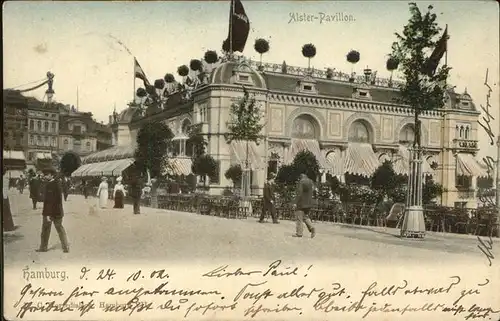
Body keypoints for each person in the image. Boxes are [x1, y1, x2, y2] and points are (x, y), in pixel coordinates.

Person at [36, 167, 69, 253]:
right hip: (55, 212)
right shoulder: (51, 183)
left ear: (51, 175)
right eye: (44, 175)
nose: (45, 176)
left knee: (51, 229)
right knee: (56, 229)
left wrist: (48, 214)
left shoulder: (54, 184)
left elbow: (54, 201)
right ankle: (64, 247)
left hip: (52, 212)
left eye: (46, 175)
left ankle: (45, 247)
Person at [293, 173, 316, 238]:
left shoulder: (301, 182)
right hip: (309, 203)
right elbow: (313, 191)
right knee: (305, 217)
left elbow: (299, 193)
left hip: (301, 203)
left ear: (300, 178)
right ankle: (312, 228)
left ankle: (299, 233)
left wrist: (295, 202)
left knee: (299, 218)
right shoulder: (311, 182)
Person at [3, 167, 16, 231]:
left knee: (5, 211)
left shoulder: (5, 179)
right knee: (6, 211)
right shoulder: (6, 178)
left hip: (3, 197)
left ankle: (7, 226)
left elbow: (5, 189)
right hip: (4, 196)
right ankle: (8, 226)